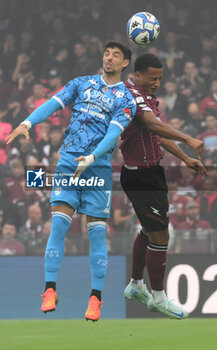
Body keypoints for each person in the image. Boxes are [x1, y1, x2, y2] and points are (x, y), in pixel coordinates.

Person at [6, 41, 136, 322]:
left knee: (97, 233)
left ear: (126, 63)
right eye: (107, 53)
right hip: (67, 164)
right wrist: (27, 124)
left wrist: (93, 156)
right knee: (59, 225)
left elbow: (113, 135)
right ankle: (50, 289)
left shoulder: (126, 99)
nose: (109, 58)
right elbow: (52, 104)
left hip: (97, 169)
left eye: (116, 55)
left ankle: (95, 298)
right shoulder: (82, 83)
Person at [119, 54, 207, 319]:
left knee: (149, 229)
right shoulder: (130, 93)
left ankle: (135, 285)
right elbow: (150, 123)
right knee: (161, 236)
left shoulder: (146, 95)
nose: (157, 82)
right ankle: (158, 297)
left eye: (160, 77)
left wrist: (184, 157)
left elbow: (156, 133)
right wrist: (188, 138)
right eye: (153, 77)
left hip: (151, 173)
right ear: (138, 73)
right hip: (141, 177)